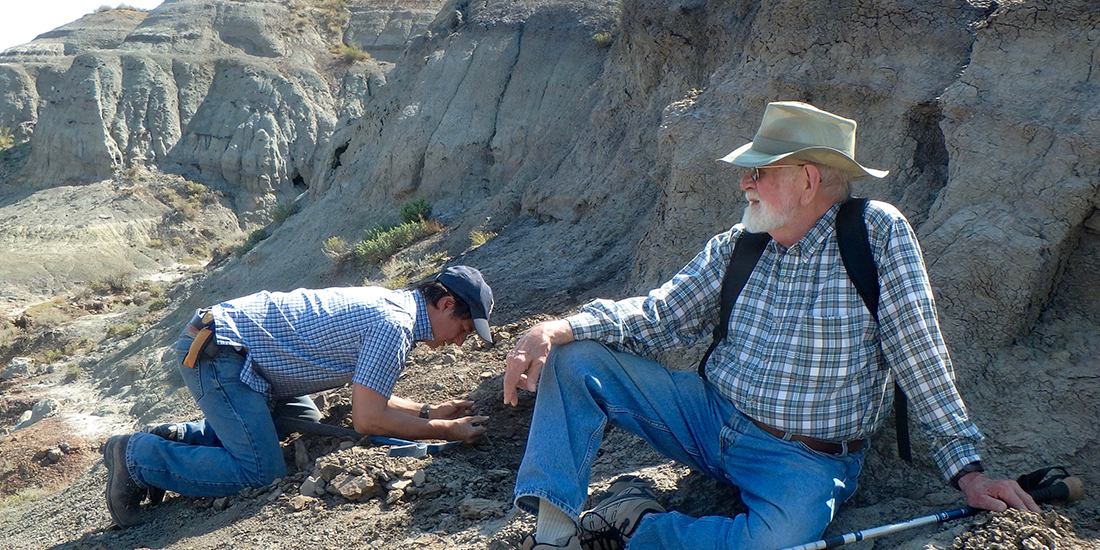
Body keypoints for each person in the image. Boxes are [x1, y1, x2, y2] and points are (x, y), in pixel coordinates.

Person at [502, 102, 1041, 550]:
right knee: (576, 360)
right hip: (708, 420)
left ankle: (639, 525)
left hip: (801, 457)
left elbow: (919, 357)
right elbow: (660, 315)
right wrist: (559, 328)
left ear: (808, 179)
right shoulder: (741, 242)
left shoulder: (876, 236)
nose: (744, 182)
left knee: (772, 544)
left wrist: (967, 472)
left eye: (760, 170)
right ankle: (555, 536)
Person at [102, 265, 495, 527]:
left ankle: (183, 436)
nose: (461, 342)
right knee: (260, 472)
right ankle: (137, 457)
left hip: (248, 361)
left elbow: (369, 399)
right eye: (464, 328)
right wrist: (446, 429)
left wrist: (429, 410)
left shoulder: (396, 309)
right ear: (445, 305)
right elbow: (369, 419)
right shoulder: (394, 326)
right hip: (220, 355)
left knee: (307, 422)